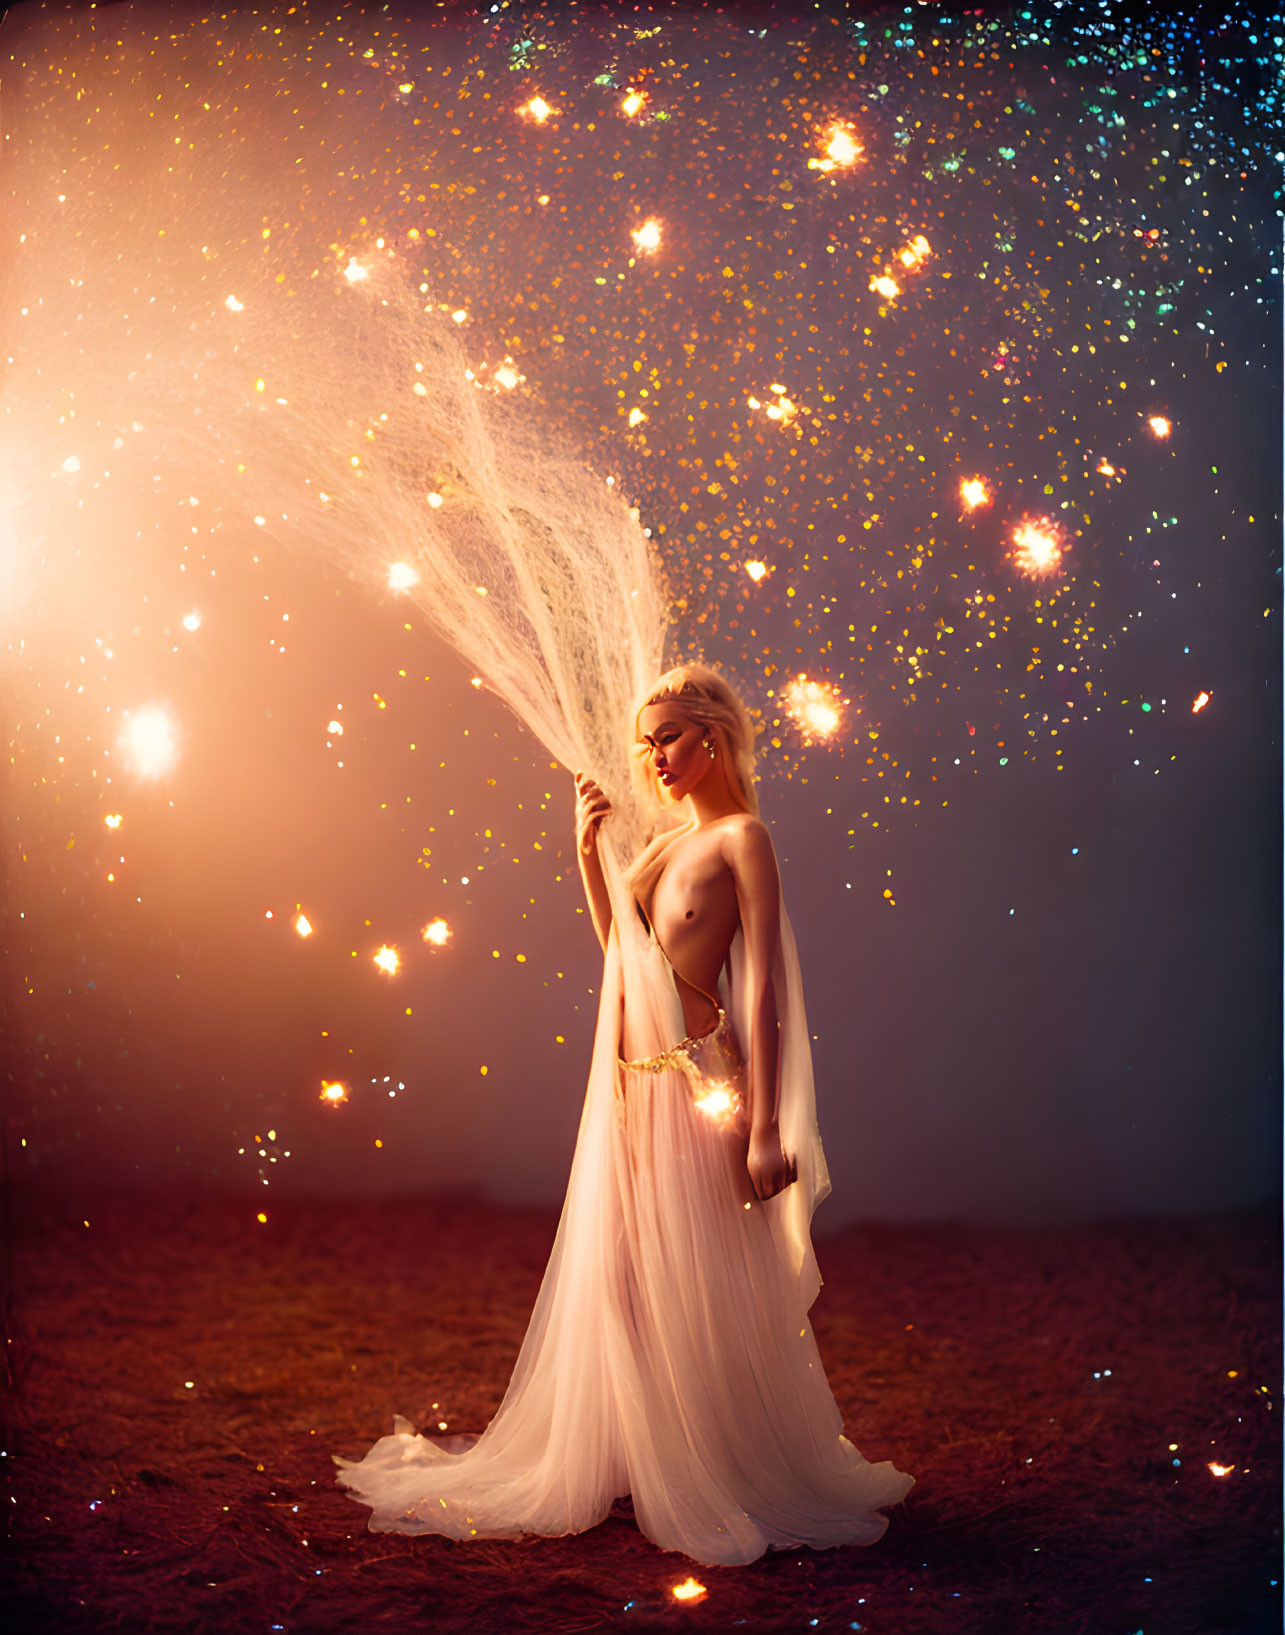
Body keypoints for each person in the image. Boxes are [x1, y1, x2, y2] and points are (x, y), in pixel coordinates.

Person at [335, 664, 913, 1566]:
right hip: (631, 1089)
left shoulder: (740, 840)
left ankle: (710, 1465)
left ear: (714, 736)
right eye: (646, 743)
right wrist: (584, 853)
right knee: (624, 1282)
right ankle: (637, 1458)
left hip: (698, 1091)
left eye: (669, 737)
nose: (654, 758)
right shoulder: (656, 849)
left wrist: (764, 1125)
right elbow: (624, 959)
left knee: (701, 1278)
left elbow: (758, 985)